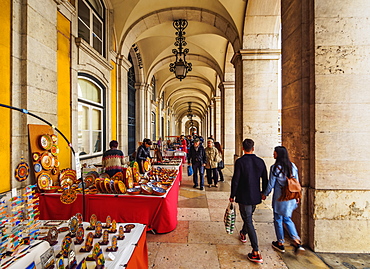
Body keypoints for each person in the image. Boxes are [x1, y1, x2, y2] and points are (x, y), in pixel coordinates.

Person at [229, 139, 268, 264]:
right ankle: (243, 232)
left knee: (248, 220)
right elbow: (265, 179)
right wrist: (264, 193)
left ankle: (256, 251)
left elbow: (236, 180)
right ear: (253, 148)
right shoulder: (260, 161)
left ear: (242, 148)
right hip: (255, 196)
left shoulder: (240, 161)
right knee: (248, 217)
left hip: (244, 196)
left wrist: (232, 195)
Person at [262, 146, 305, 254]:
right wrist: (297, 196)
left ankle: (280, 242)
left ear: (279, 154)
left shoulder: (275, 167)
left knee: (278, 219)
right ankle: (296, 240)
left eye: (275, 152)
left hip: (280, 197)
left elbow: (271, 184)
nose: (273, 154)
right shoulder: (292, 166)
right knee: (287, 218)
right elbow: (296, 183)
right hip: (291, 197)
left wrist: (265, 194)